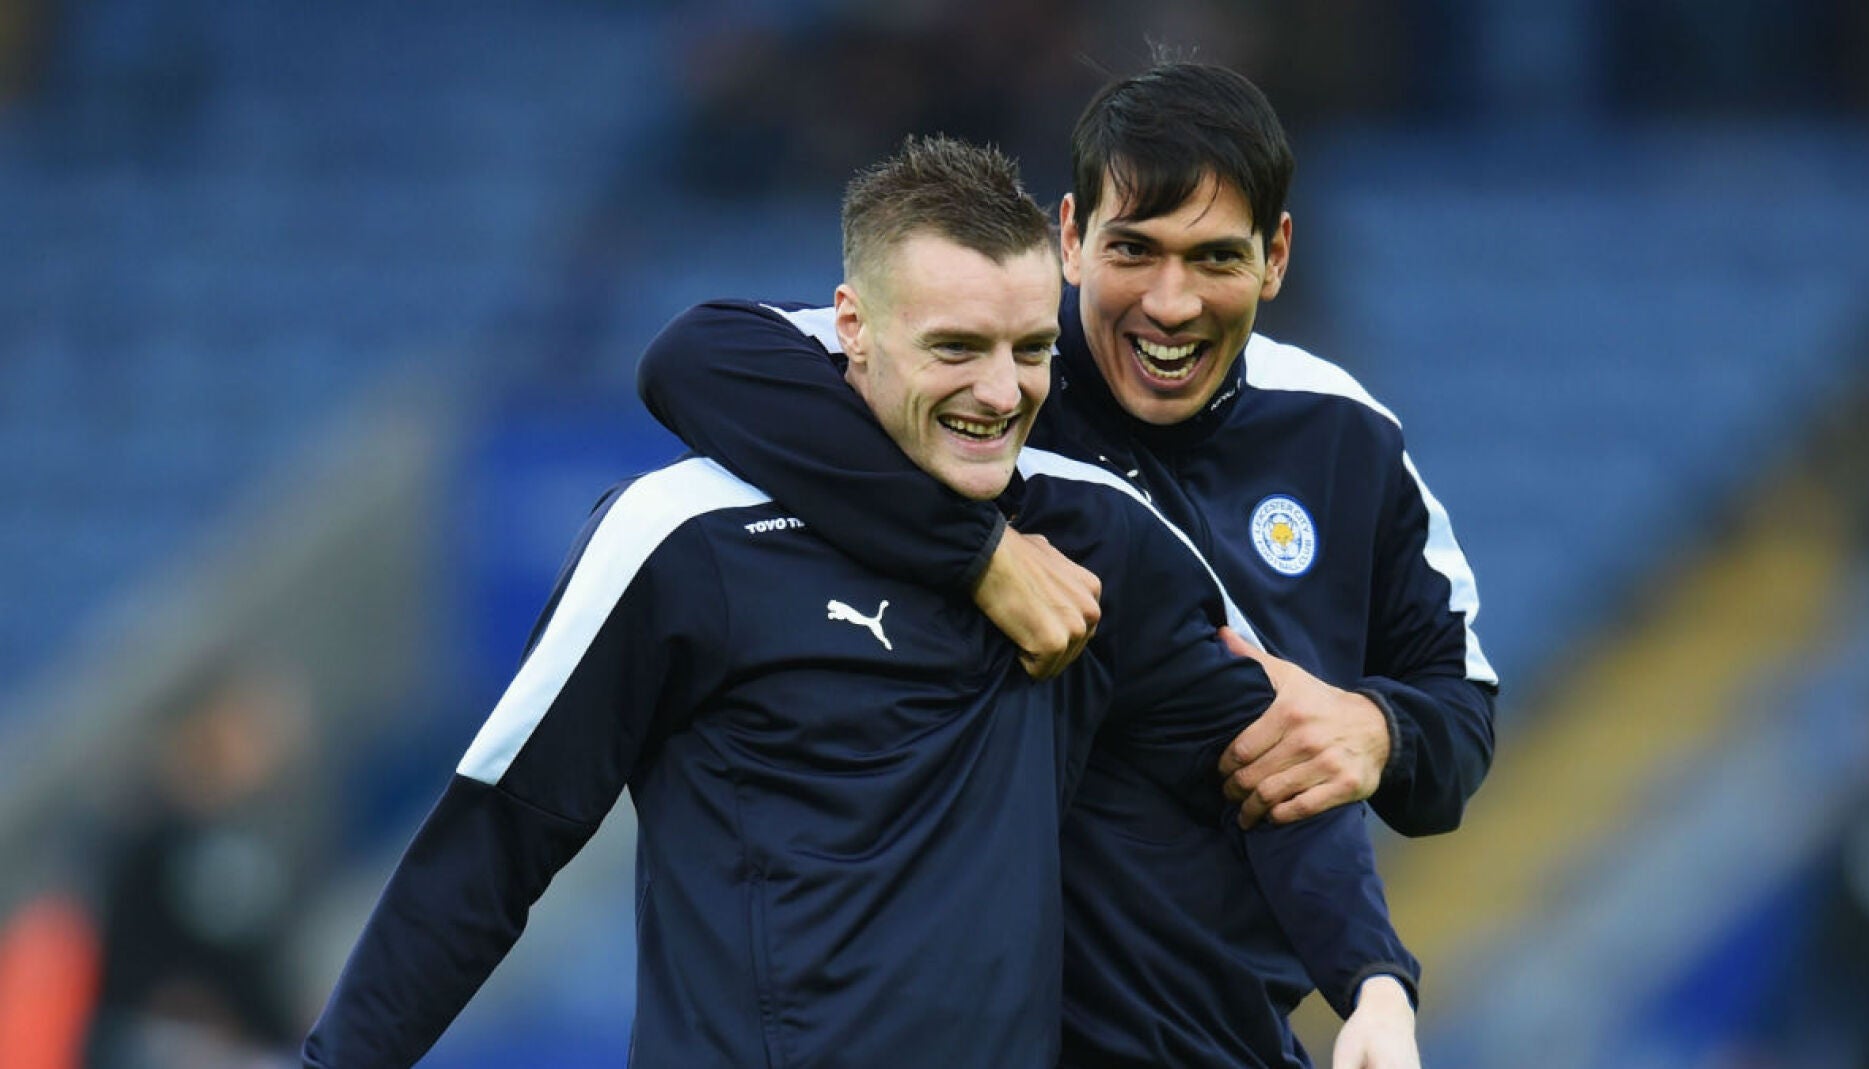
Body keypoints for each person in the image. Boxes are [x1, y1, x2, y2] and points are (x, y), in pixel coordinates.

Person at [304, 136, 1418, 1068]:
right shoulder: (685, 538)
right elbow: (495, 844)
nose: (1000, 390)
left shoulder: (1099, 540)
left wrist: (1371, 979)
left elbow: (1272, 761)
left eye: (1032, 350)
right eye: (956, 348)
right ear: (851, 324)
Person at [639, 59, 1498, 841]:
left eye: (1215, 259)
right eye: (1135, 249)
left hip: (1230, 1008)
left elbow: (1459, 716)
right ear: (1072, 237)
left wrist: (1382, 734)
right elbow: (700, 357)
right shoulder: (991, 384)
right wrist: (979, 554)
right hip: (989, 994)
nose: (1171, 302)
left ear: (1274, 258)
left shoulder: (1346, 433)